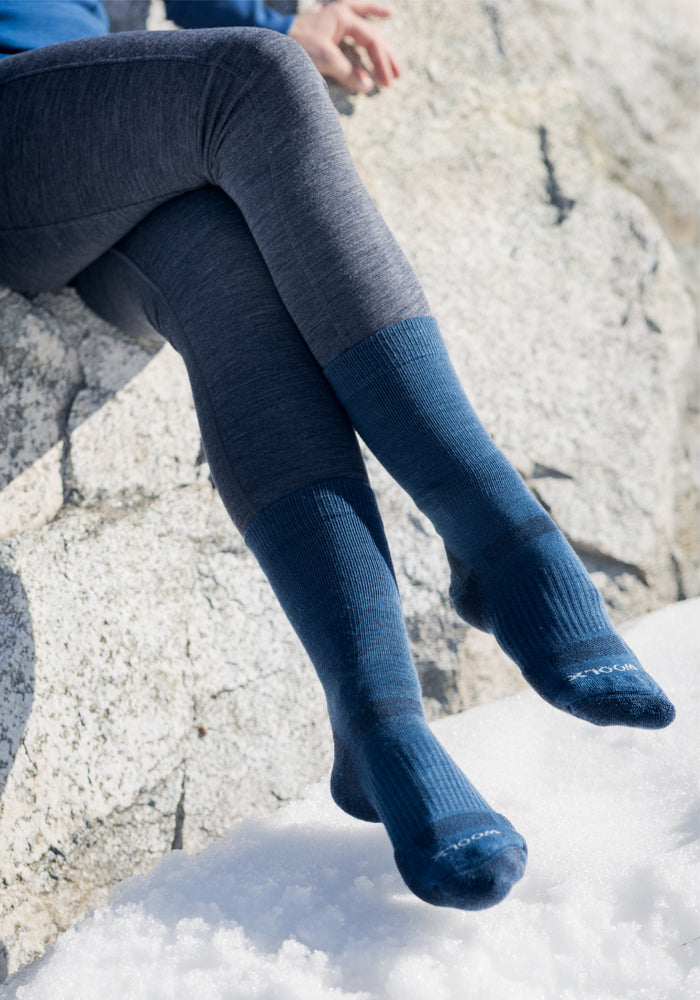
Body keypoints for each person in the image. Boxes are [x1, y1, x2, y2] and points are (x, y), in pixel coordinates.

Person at [0, 0, 675, 913]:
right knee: (252, 77)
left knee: (228, 270)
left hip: (111, 143)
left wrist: (274, 12)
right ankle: (507, 543)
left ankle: (377, 721)